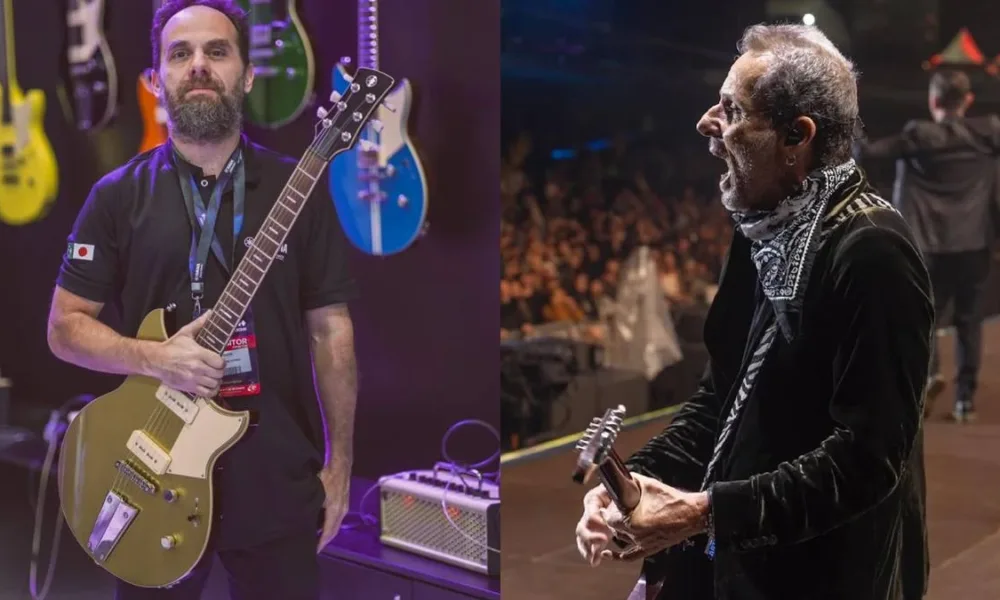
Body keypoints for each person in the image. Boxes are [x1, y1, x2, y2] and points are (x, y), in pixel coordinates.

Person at [575, 24, 933, 600]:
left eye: (732, 110)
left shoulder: (873, 252)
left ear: (797, 137)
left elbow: (868, 459)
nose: (706, 124)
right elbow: (723, 396)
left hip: (821, 574)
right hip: (740, 555)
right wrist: (638, 484)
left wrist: (704, 513)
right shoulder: (762, 226)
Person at [46, 1, 358, 598]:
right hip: (151, 466)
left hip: (275, 477)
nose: (198, 66)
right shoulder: (115, 197)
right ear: (157, 75)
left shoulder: (300, 189)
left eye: (217, 52)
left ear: (247, 74)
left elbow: (331, 330)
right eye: (180, 54)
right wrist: (154, 358)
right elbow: (64, 329)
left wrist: (340, 465)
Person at [854, 69, 999, 423]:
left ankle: (930, 373)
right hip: (974, 243)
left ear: (933, 101)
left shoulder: (918, 136)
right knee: (969, 321)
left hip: (926, 245)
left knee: (924, 317)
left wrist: (852, 125)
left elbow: (868, 153)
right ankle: (965, 401)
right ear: (967, 101)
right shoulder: (989, 133)